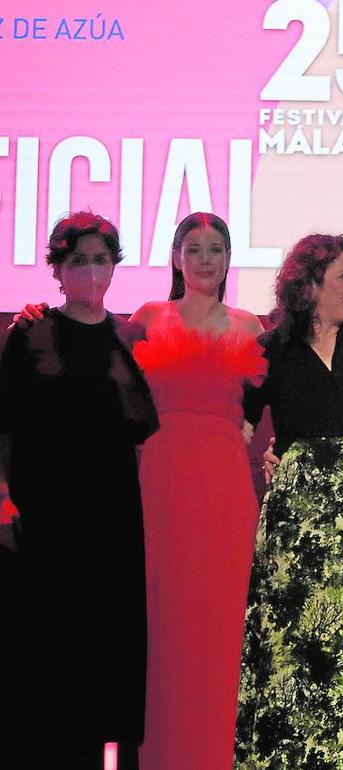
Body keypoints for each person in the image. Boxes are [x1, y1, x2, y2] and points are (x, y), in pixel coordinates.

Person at [235, 234, 343, 770]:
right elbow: (234, 425)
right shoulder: (271, 348)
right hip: (297, 514)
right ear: (308, 285)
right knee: (294, 638)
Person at [0, 212, 159, 770]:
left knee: (106, 653)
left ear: (115, 267)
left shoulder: (126, 336)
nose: (91, 271)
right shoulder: (32, 330)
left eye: (101, 259)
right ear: (58, 270)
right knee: (45, 646)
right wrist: (2, 498)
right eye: (78, 261)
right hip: (44, 515)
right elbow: (6, 423)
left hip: (113, 514)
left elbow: (143, 424)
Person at [128, 212, 266, 770]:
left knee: (221, 619)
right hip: (159, 482)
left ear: (229, 258)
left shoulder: (249, 324)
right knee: (161, 620)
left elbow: (260, 405)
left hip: (224, 487)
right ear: (176, 257)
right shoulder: (147, 317)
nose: (205, 258)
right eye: (194, 247)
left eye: (216, 248)